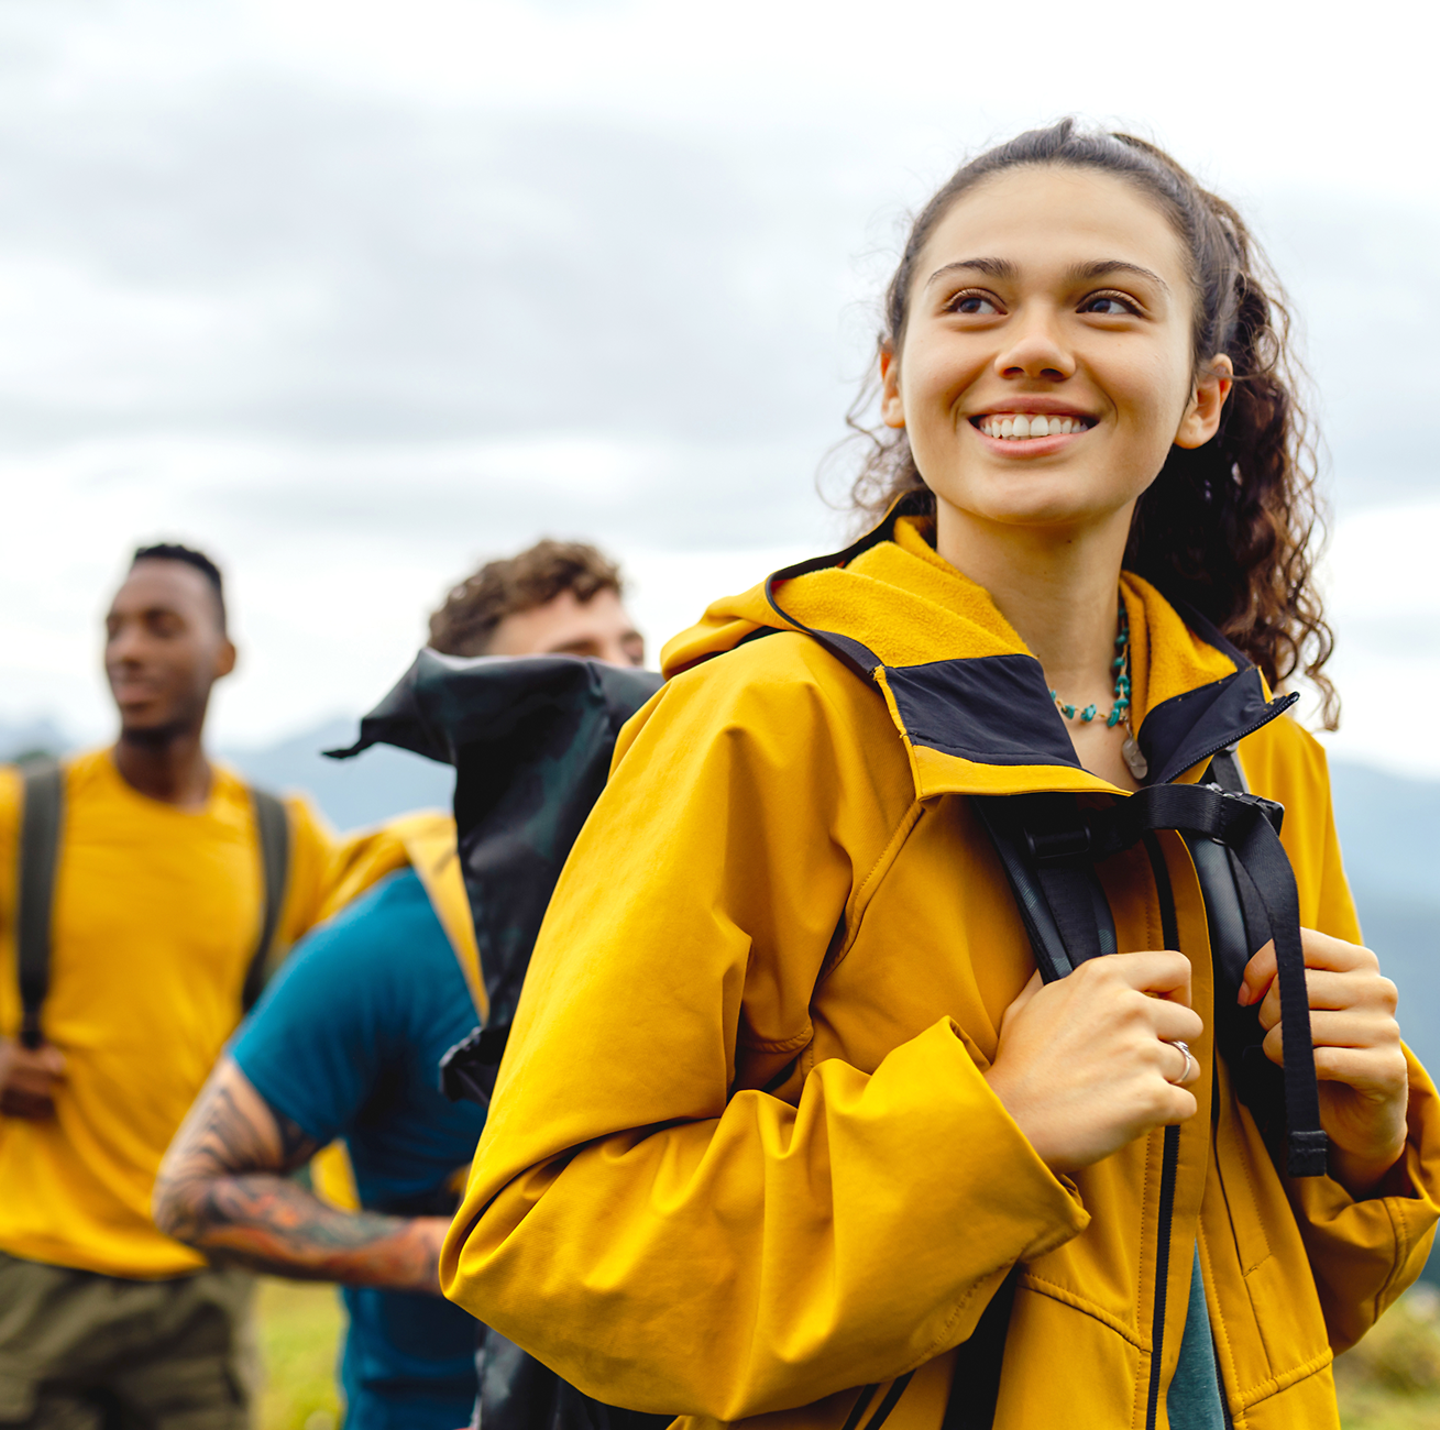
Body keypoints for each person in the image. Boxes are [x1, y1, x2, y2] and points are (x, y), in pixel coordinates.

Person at [435, 124, 1440, 1430]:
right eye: (976, 301)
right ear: (899, 372)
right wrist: (989, 1131)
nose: (1032, 343)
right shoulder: (766, 725)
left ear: (1201, 396)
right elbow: (546, 1239)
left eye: (1108, 304)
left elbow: (1280, 1303)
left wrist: (1363, 1143)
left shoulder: (1259, 766)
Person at [153, 540, 645, 1430]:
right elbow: (194, 1189)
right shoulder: (390, 945)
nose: (624, 686)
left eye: (632, 651)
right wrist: (450, 1252)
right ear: (478, 715)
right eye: (579, 662)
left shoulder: (687, 907)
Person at [0, 544, 336, 1430]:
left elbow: (350, 1011)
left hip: (202, 1283)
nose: (128, 650)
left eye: (161, 625)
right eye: (114, 627)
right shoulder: (25, 814)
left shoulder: (282, 837)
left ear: (225, 656)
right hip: (33, 1277)